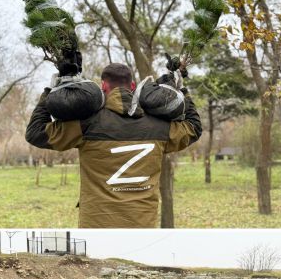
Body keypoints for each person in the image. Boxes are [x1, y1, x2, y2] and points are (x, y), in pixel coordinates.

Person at [26, 62, 201, 228]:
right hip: (142, 226)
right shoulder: (159, 127)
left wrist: (52, 89)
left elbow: (36, 132)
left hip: (96, 226)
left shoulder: (86, 124)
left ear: (103, 86)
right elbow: (193, 127)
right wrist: (181, 89)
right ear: (133, 87)